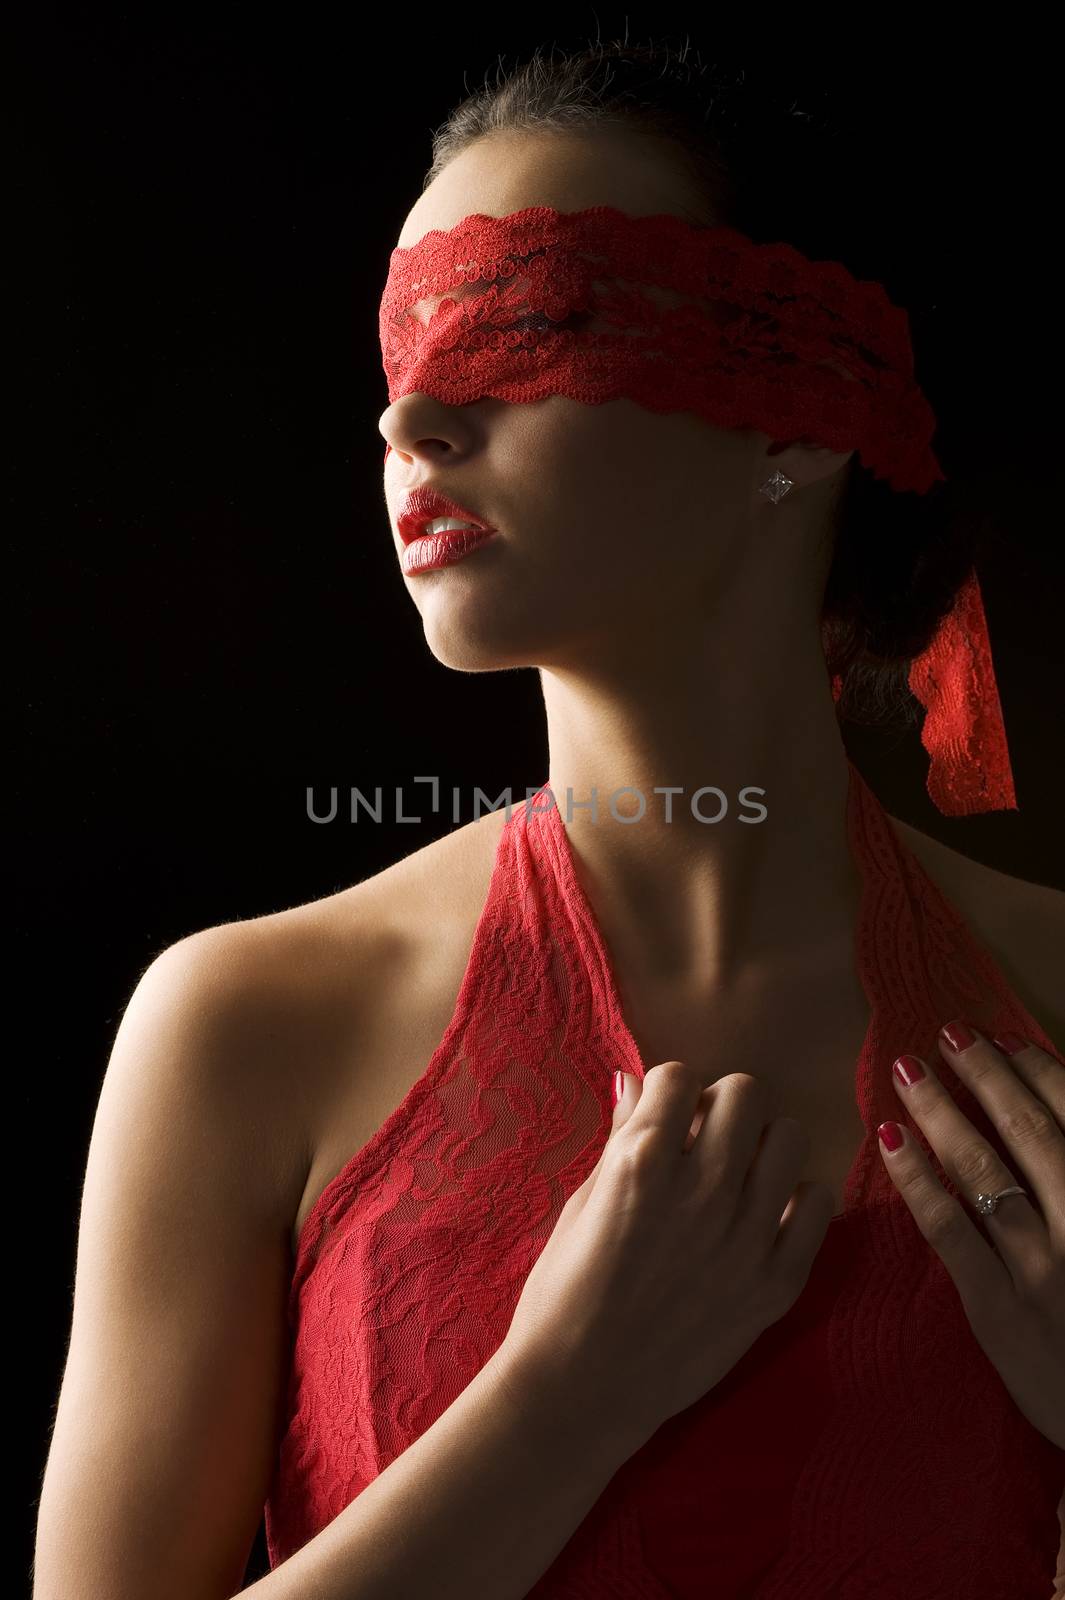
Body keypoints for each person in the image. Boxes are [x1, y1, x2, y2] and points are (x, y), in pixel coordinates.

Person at [33, 41, 1065, 1600]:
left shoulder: (1054, 1003)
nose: (414, 421)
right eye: (399, 360)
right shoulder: (249, 1024)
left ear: (798, 418)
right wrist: (554, 1404)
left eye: (528, 324)